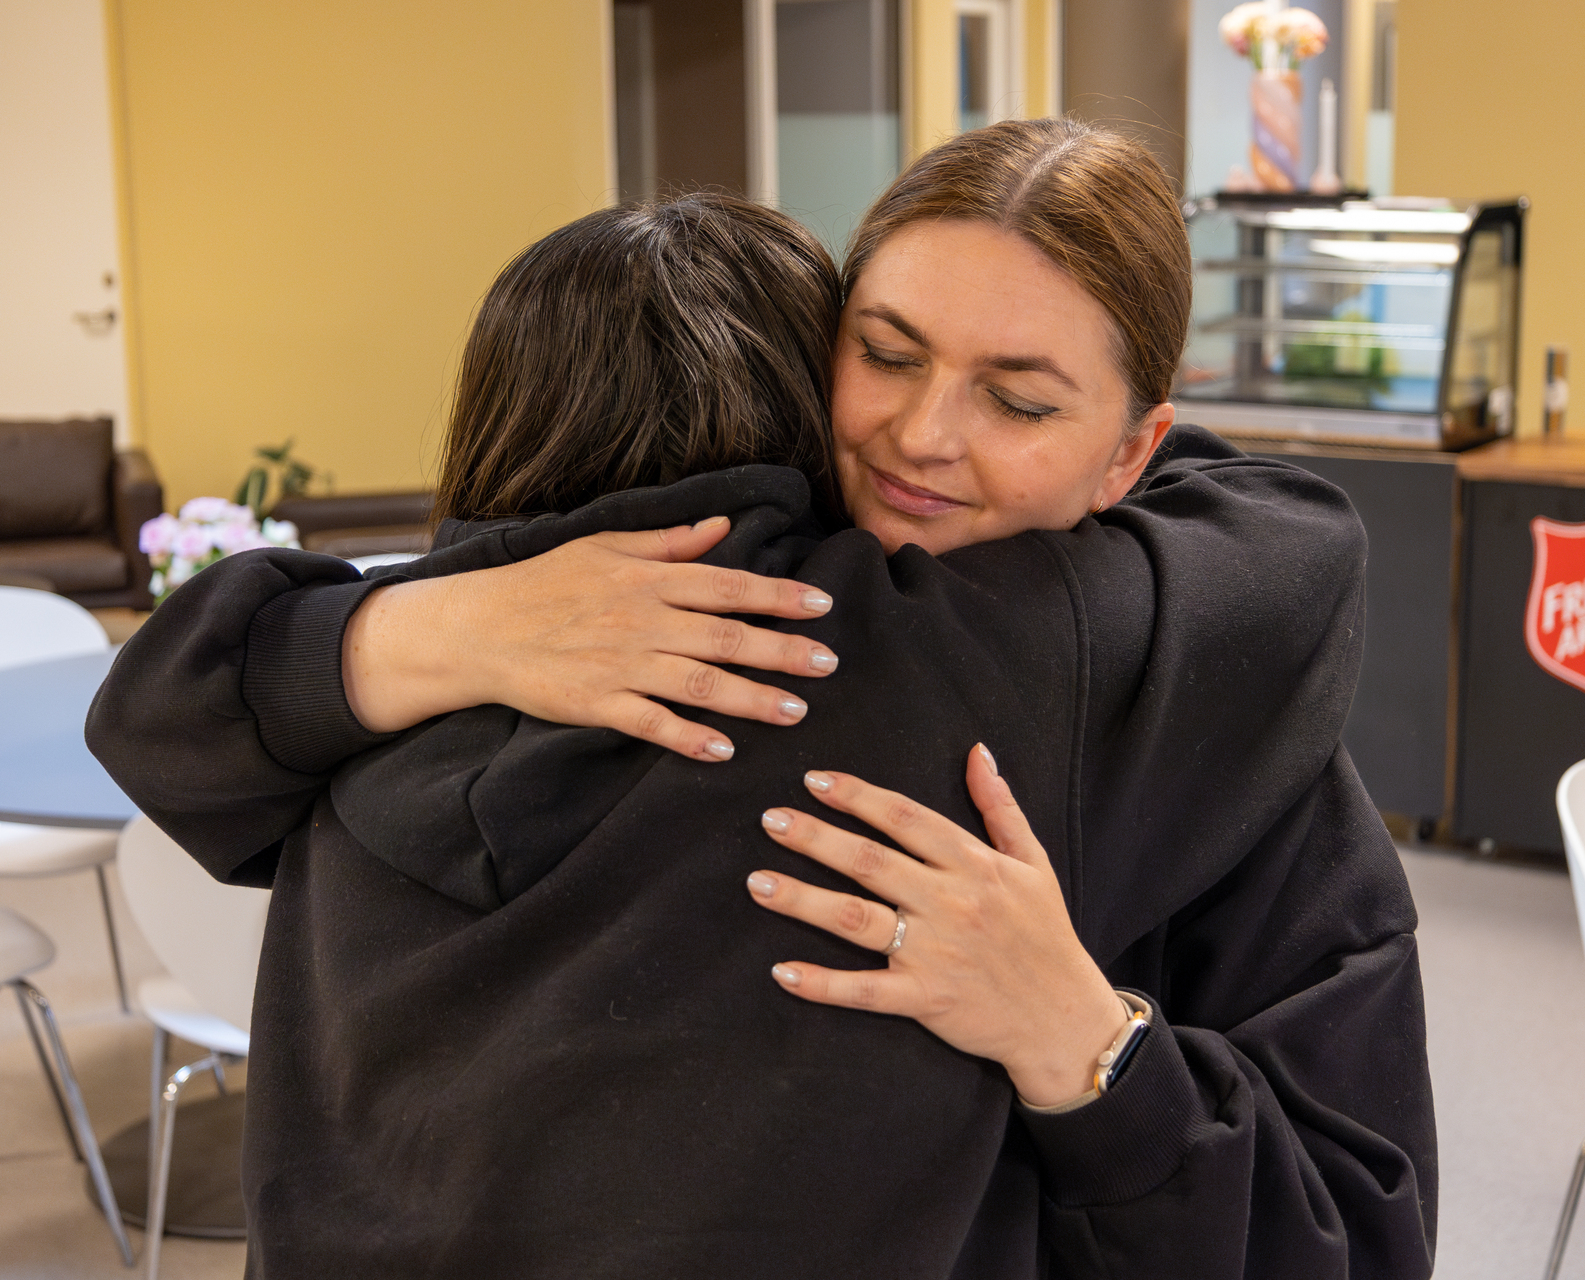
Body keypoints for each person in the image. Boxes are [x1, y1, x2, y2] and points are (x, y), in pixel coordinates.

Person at [90, 121, 1436, 1278]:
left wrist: (1091, 1045)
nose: (922, 437)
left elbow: (1355, 1235)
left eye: (1020, 401)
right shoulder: (501, 640)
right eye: (887, 351)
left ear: (1134, 452)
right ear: (809, 354)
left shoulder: (1184, 700)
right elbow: (1296, 541)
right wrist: (432, 626)